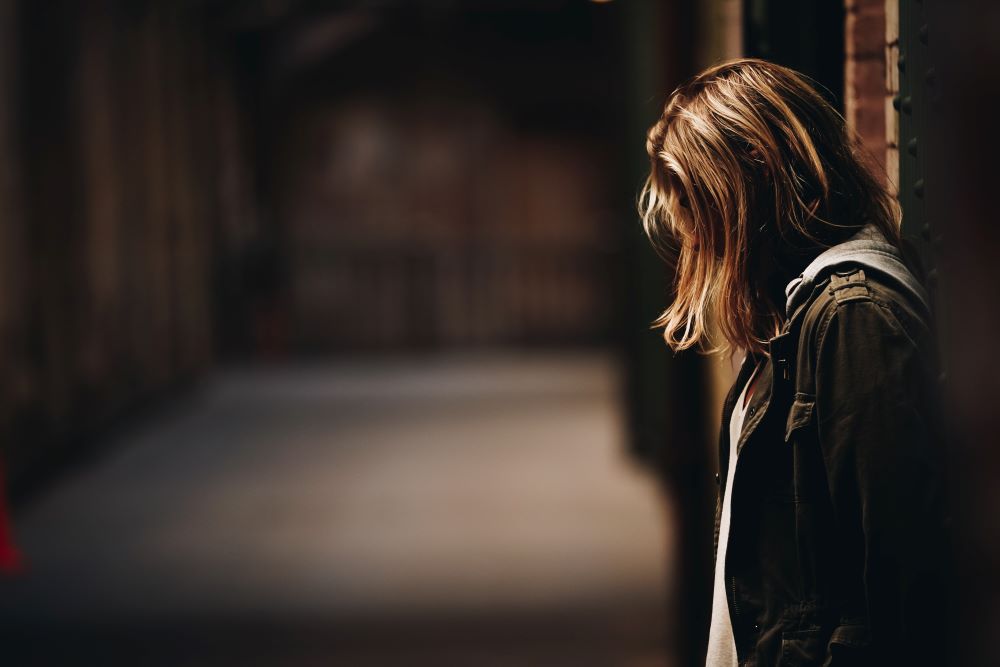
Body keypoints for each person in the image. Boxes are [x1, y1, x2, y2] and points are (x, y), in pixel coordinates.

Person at [639, 59, 951, 666]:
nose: (696, 238)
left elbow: (898, 590)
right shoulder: (798, 315)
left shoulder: (851, 317)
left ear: (754, 171)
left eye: (700, 205)